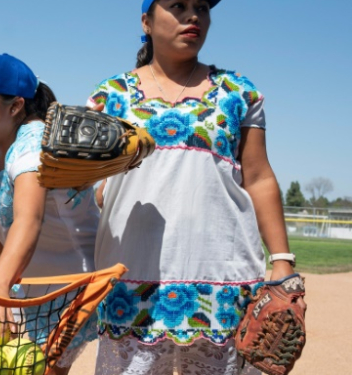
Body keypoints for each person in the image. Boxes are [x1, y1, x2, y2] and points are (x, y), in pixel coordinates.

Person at [88, 1, 304, 374]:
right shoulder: (109, 97)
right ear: (146, 21)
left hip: (222, 278)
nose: (193, 17)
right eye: (178, 6)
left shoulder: (238, 93)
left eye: (202, 7)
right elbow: (94, 184)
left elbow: (258, 177)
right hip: (132, 279)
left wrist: (283, 262)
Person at [0, 53, 99, 375]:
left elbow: (29, 219)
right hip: (31, 287)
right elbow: (1, 230)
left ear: (15, 107)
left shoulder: (33, 142)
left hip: (72, 287)